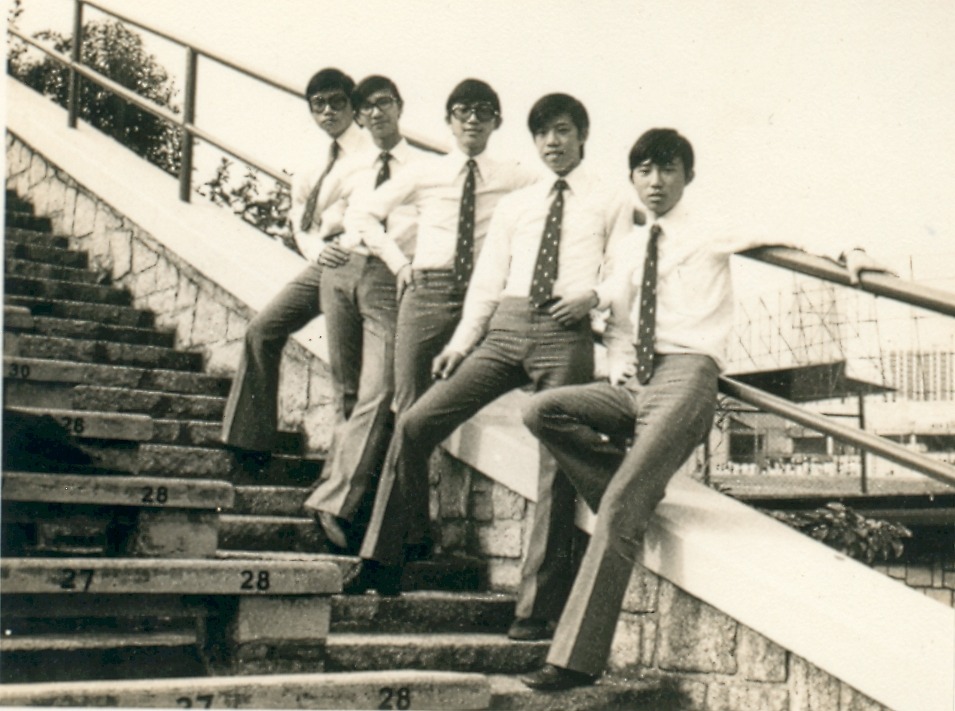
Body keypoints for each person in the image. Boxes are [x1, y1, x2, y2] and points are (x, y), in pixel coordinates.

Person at [518, 128, 886, 690]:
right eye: (644, 170)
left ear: (688, 176)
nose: (655, 182)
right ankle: (630, 496)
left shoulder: (710, 227)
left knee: (617, 505)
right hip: (637, 381)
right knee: (542, 411)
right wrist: (618, 363)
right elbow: (618, 312)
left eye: (667, 169)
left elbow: (789, 230)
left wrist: (850, 250)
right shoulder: (631, 243)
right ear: (632, 177)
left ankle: (574, 660)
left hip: (687, 376)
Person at [344, 94, 633, 612]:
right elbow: (488, 279)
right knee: (414, 424)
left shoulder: (610, 198)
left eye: (562, 130)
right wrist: (460, 344)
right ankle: (391, 553)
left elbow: (624, 272)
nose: (552, 142)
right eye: (542, 133)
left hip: (563, 331)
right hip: (505, 327)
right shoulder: (519, 201)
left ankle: (536, 608)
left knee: (555, 469)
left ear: (582, 135)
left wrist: (594, 298)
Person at [330, 78, 537, 558]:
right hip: (426, 293)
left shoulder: (515, 177)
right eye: (463, 111)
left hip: (483, 297)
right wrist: (397, 263)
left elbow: (561, 196)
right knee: (407, 410)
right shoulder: (426, 172)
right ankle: (411, 533)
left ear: (497, 122)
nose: (472, 119)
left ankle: (397, 539)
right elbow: (361, 215)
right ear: (449, 121)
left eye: (483, 111)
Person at [301, 75, 429, 548]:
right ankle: (341, 498)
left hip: (386, 277)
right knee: (346, 390)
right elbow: (307, 217)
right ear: (358, 116)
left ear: (399, 106)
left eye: (384, 103)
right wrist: (321, 246)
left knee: (381, 389)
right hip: (340, 273)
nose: (376, 113)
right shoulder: (350, 166)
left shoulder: (423, 168)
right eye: (366, 108)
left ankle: (333, 500)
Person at [220, 68, 369, 462]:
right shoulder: (313, 162)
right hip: (325, 260)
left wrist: (345, 247)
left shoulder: (372, 153)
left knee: (348, 375)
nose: (328, 111)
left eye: (337, 101)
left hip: (359, 262)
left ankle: (349, 475)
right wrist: (317, 252)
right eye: (318, 104)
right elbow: (300, 221)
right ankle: (249, 443)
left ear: (353, 105)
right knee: (262, 330)